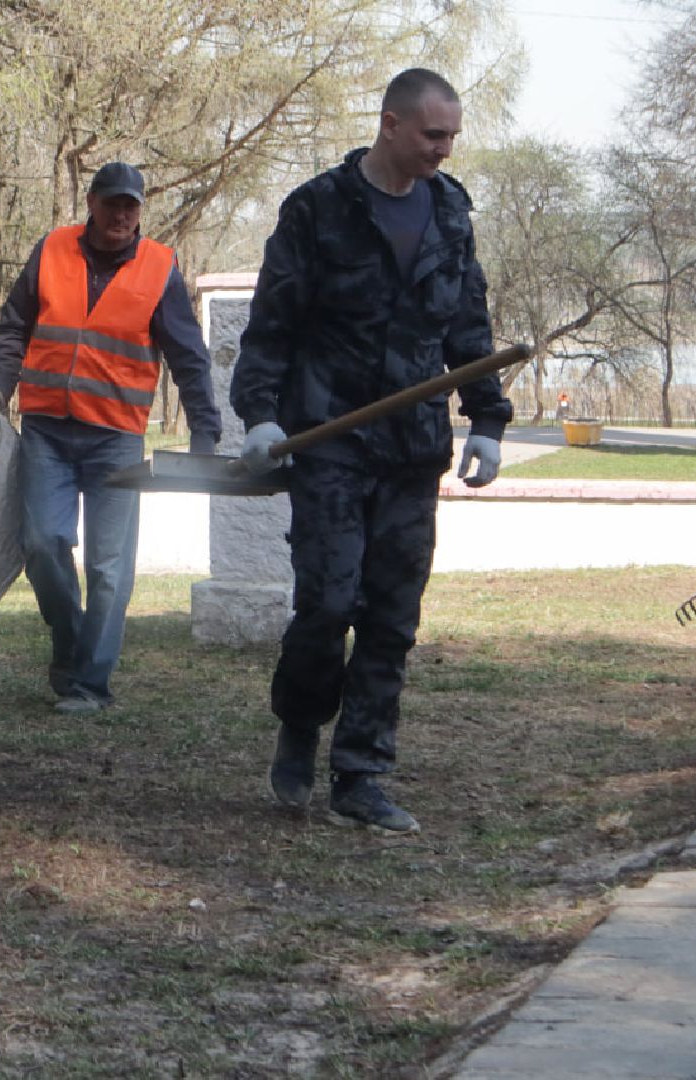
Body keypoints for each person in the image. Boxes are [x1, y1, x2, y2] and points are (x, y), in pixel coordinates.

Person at [230, 69, 513, 832]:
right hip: (329, 438)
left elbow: (468, 328)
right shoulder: (317, 208)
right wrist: (259, 415)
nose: (443, 150)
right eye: (432, 135)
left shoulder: (449, 212)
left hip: (412, 448)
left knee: (390, 618)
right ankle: (300, 723)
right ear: (389, 124)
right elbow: (272, 324)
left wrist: (486, 421)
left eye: (451, 136)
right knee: (327, 604)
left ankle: (360, 775)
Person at [0, 161, 221, 714]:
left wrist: (205, 429)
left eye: (130, 206)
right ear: (91, 203)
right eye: (112, 203)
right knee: (42, 544)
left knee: (108, 568)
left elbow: (188, 355)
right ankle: (70, 645)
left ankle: (91, 684)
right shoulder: (52, 250)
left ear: (140, 210)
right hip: (47, 430)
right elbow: (15, 325)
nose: (121, 215)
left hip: (116, 437)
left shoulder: (159, 268)